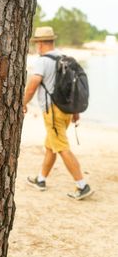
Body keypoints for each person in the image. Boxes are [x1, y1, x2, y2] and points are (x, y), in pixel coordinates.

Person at [23, 26, 93, 200]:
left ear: (39, 44)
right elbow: (72, 87)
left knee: (61, 147)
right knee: (51, 146)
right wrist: (75, 111)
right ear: (52, 41)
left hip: (52, 112)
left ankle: (82, 185)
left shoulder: (42, 61)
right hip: (66, 110)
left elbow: (32, 86)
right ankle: (41, 180)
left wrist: (22, 103)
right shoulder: (64, 57)